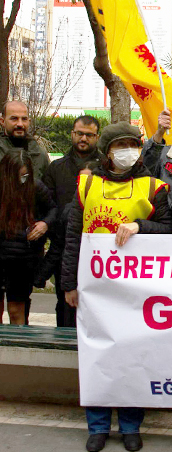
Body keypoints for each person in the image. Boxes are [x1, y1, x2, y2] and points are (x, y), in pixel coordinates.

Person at [62, 122, 172, 452]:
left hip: (136, 291)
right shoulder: (87, 184)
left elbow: (168, 230)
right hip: (95, 289)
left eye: (133, 144)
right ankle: (97, 426)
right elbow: (73, 236)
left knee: (132, 356)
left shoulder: (153, 187)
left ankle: (130, 425)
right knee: (97, 356)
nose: (128, 151)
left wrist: (140, 226)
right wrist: (69, 283)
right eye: (120, 145)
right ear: (107, 151)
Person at [41, 115, 102, 327]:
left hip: (99, 251)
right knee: (65, 306)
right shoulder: (56, 168)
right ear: (72, 134)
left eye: (89, 135)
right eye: (79, 134)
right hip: (64, 249)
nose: (83, 138)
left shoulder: (107, 167)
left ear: (97, 137)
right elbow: (47, 206)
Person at [0, 149, 56, 325]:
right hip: (2, 251)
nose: (20, 181)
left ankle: (18, 341)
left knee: (17, 309)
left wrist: (44, 224)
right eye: (16, 177)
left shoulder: (35, 187)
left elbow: (53, 209)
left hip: (22, 259)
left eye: (24, 176)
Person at [0, 101, 50, 179]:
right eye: (14, 119)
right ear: (2, 121)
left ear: (29, 122)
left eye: (24, 119)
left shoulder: (39, 154)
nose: (20, 124)